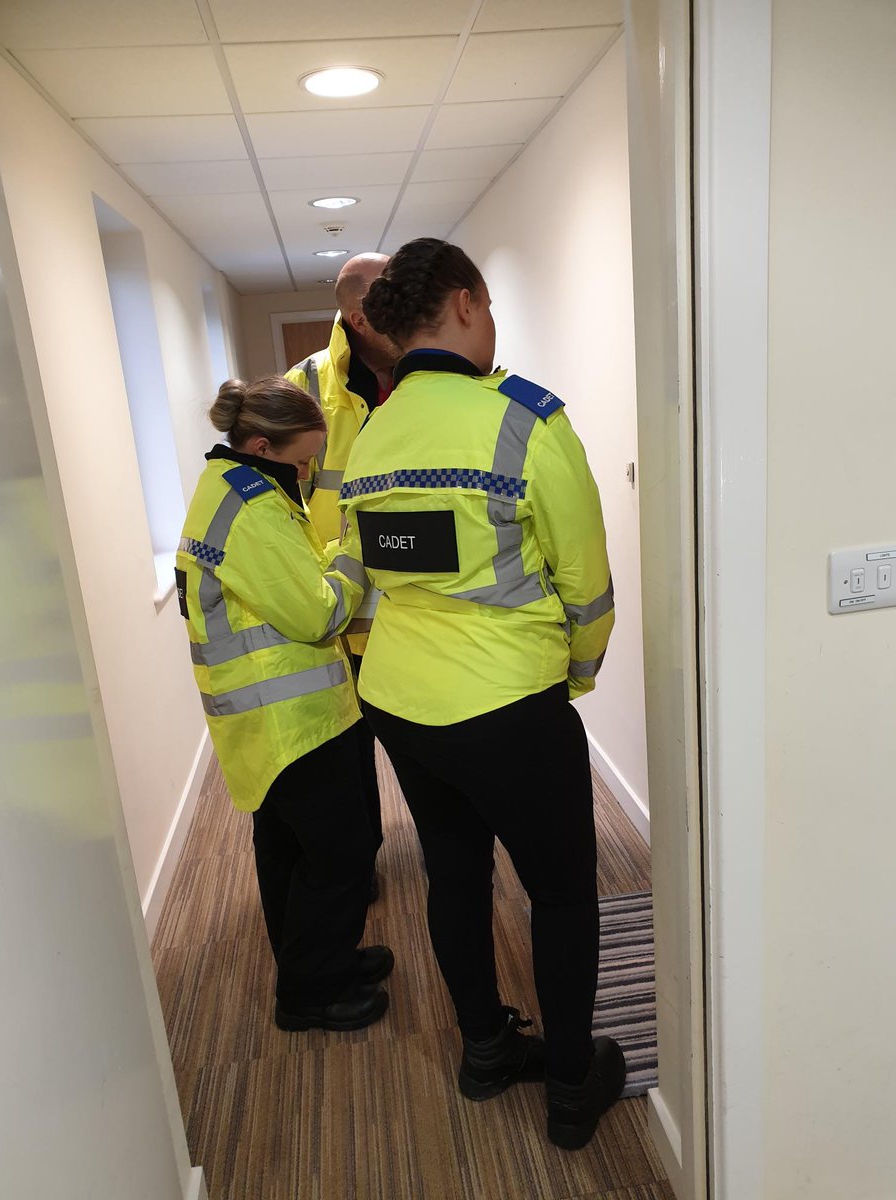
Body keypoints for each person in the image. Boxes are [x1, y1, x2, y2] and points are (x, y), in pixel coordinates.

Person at [327, 238, 627, 1149]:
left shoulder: (372, 433)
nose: (492, 326)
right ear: (463, 303)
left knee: (455, 874)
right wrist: (575, 676)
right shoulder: (524, 422)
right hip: (508, 707)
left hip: (402, 707)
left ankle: (486, 1050)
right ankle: (573, 1086)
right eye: (488, 309)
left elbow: (376, 569)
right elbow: (587, 586)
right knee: (564, 892)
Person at [175, 375, 391, 1032]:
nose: (309, 473)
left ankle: (319, 961)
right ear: (262, 445)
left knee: (290, 853)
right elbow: (319, 615)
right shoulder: (253, 510)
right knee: (341, 853)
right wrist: (355, 553)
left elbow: (284, 583)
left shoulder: (235, 488)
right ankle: (310, 993)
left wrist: (323, 558)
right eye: (302, 461)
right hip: (290, 721)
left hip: (268, 721)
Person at [286, 253, 401, 899]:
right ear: (359, 315)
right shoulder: (302, 389)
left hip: (419, 612)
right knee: (350, 759)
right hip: (340, 616)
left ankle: (454, 854)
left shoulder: (428, 374)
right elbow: (280, 507)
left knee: (427, 748)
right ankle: (362, 868)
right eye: (395, 299)